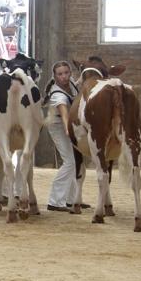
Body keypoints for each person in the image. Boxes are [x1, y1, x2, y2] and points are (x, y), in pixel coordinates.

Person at [44, 61, 87, 212]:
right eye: (60, 74)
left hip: (70, 126)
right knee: (69, 162)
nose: (64, 76)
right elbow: (64, 114)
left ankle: (71, 199)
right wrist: (69, 131)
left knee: (73, 162)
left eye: (66, 73)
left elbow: (78, 83)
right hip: (58, 126)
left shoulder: (72, 85)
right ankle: (54, 201)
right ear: (54, 76)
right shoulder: (57, 94)